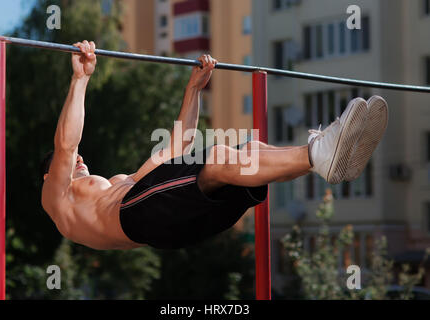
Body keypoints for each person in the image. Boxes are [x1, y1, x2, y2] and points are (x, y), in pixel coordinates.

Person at [40, 40, 388, 250]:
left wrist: (194, 90)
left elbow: (173, 153)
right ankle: (317, 154)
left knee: (252, 151)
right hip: (141, 219)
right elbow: (67, 146)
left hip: (170, 226)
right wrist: (80, 79)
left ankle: (320, 156)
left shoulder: (121, 185)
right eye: (72, 163)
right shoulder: (57, 198)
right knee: (220, 156)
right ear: (49, 176)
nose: (80, 159)